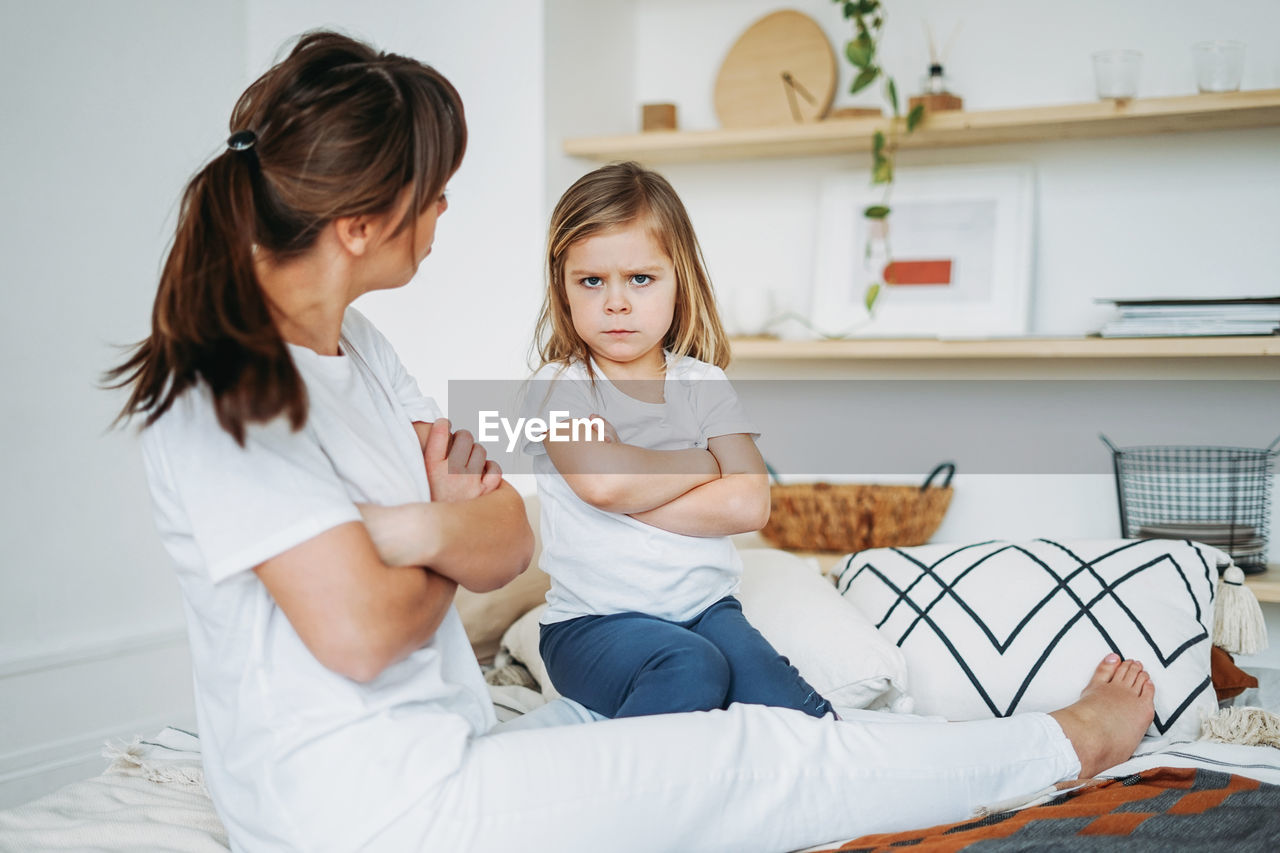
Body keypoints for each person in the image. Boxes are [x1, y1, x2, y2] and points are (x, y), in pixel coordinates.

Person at [109, 29, 1156, 853]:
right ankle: (1058, 743)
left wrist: (410, 526)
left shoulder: (360, 349)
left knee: (694, 719)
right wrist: (446, 529)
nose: (441, 214)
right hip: (370, 818)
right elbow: (362, 632)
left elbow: (509, 535)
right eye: (430, 196)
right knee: (749, 757)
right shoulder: (221, 394)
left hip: (446, 752)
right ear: (358, 224)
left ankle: (945, 749)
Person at [523, 162, 832, 720]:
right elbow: (603, 484)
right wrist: (707, 460)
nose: (616, 302)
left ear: (678, 279)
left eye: (641, 279)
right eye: (592, 281)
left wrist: (634, 477)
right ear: (563, 287)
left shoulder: (704, 384)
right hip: (591, 625)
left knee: (796, 715)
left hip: (708, 609)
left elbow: (748, 503)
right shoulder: (558, 387)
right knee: (691, 667)